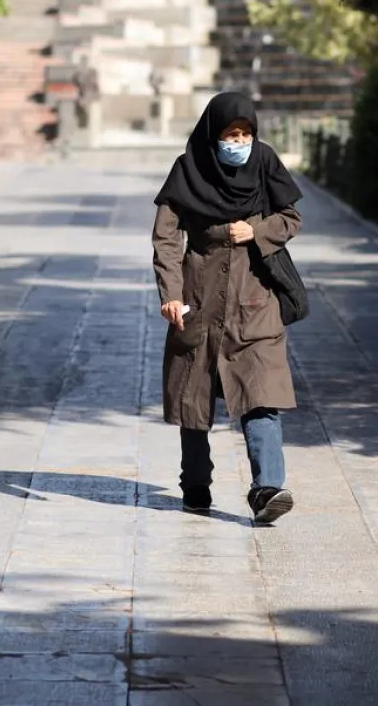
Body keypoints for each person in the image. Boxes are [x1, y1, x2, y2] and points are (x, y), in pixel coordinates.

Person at [152, 91, 303, 524]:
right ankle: (195, 484)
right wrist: (171, 293)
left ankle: (267, 488)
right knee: (193, 397)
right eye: (230, 134)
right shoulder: (188, 169)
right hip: (198, 298)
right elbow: (166, 236)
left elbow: (290, 218)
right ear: (212, 134)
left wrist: (255, 230)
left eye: (246, 133)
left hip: (254, 300)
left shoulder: (265, 162)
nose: (239, 141)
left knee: (261, 394)